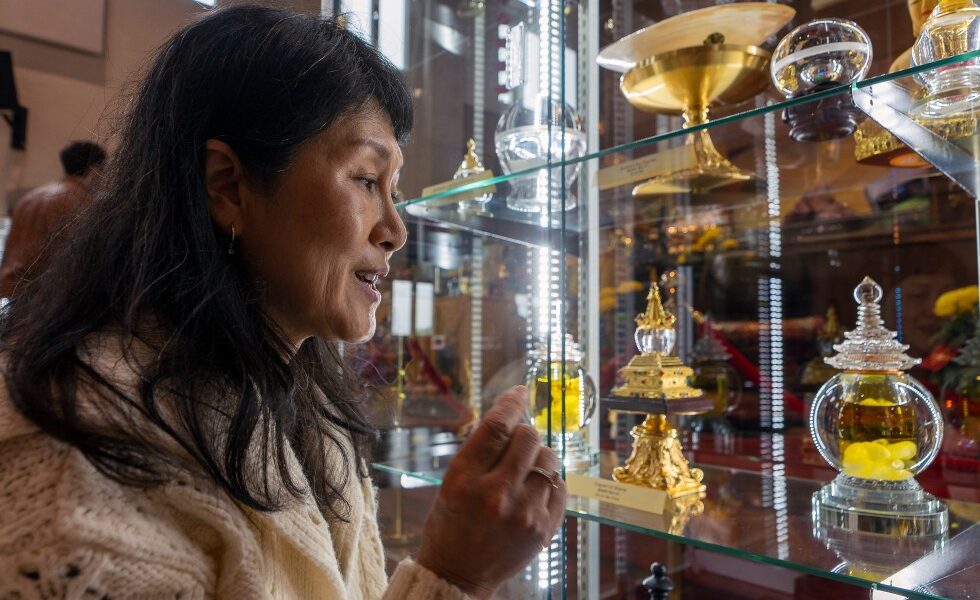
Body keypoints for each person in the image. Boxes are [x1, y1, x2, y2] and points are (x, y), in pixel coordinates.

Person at [0, 6, 566, 599]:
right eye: (367, 180)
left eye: (394, 192)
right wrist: (454, 574)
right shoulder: (74, 479)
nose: (396, 229)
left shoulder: (304, 411)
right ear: (227, 185)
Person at [0, 140, 106, 299]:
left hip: (9, 292)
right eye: (103, 170)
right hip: (43, 297)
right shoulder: (80, 200)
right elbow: (78, 260)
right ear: (94, 170)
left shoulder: (30, 197)